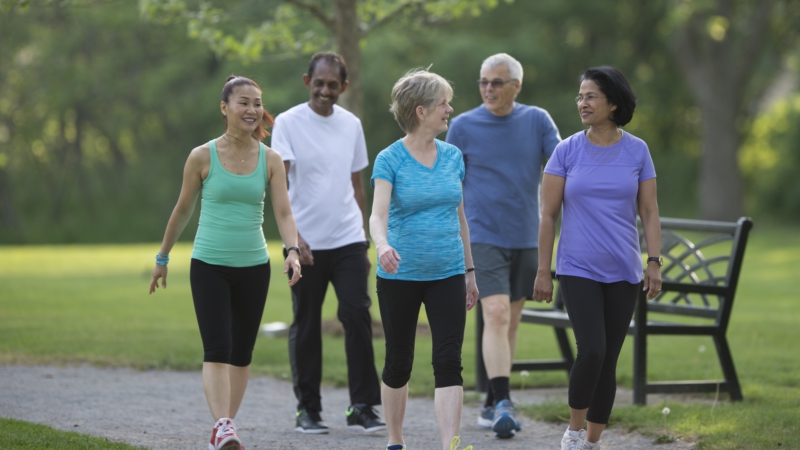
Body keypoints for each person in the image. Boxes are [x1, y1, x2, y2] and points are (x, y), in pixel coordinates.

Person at [149, 75, 302, 450]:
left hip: (253, 267)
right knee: (218, 347)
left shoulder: (271, 159)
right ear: (225, 108)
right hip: (209, 265)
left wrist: (292, 250)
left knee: (242, 353)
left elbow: (283, 212)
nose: (252, 110)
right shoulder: (202, 156)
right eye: (243, 102)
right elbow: (182, 210)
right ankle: (223, 426)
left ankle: (224, 426)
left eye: (256, 103)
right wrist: (162, 257)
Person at [532, 66, 662, 450]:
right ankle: (572, 432)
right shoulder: (566, 150)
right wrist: (544, 270)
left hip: (623, 270)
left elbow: (650, 212)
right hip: (577, 267)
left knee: (608, 359)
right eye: (580, 96)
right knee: (592, 350)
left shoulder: (637, 150)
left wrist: (653, 261)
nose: (582, 103)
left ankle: (592, 441)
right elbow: (548, 215)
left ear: (614, 104)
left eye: (590, 96)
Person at [445, 52, 561, 438]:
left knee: (508, 321)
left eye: (496, 82)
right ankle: (504, 402)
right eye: (483, 82)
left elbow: (562, 165)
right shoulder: (461, 126)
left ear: (517, 86)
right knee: (494, 314)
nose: (488, 89)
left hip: (527, 236)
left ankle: (492, 399)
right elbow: (450, 183)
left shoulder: (537, 120)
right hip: (482, 235)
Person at [270, 52, 385, 435]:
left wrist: (366, 238)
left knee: (356, 315)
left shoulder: (351, 124)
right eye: (318, 83)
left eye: (332, 85)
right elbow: (279, 187)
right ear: (307, 82)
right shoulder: (287, 122)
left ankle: (363, 406)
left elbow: (357, 187)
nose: (324, 90)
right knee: (306, 323)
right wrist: (294, 240)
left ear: (343, 87)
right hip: (304, 245)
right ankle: (308, 409)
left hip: (348, 238)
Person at [370, 69, 479, 450]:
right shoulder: (390, 159)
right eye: (443, 103)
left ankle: (450, 443)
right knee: (399, 360)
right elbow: (377, 215)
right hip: (400, 275)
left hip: (448, 272)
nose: (450, 109)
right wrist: (382, 246)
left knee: (449, 359)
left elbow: (461, 218)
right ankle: (395, 441)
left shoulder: (453, 156)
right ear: (421, 111)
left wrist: (469, 271)